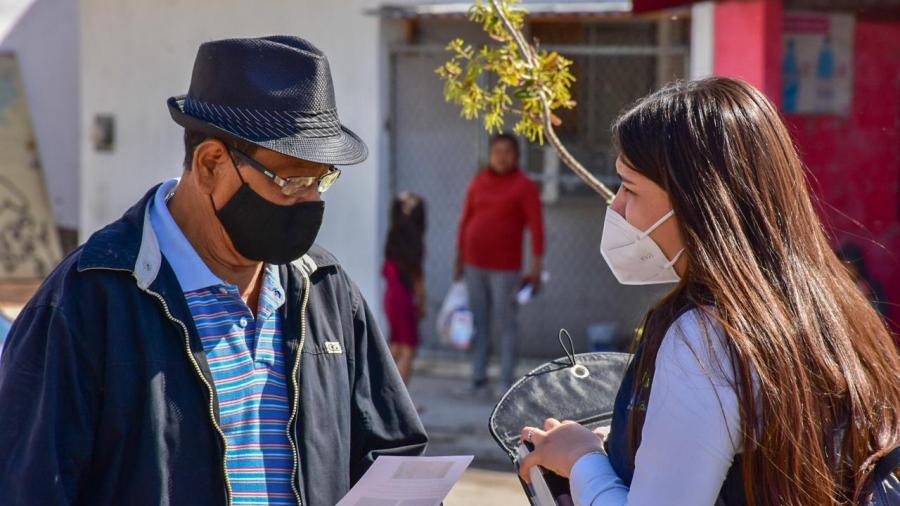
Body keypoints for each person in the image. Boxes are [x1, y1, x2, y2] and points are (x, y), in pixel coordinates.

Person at [0, 36, 427, 506]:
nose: (312, 201)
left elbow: (391, 462)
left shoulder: (325, 290)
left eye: (321, 179)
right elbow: (30, 486)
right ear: (210, 164)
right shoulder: (89, 299)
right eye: (291, 181)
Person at [517, 78, 900, 505]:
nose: (617, 207)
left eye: (629, 187)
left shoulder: (706, 339)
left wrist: (582, 459)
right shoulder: (838, 308)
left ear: (696, 201)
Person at [455, 132, 545, 395]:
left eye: (507, 152)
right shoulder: (478, 182)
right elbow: (465, 221)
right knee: (479, 323)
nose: (501, 157)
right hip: (474, 265)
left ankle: (506, 381)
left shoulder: (524, 186)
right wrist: (458, 259)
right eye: (497, 152)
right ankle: (478, 378)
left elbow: (537, 229)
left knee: (506, 324)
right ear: (490, 155)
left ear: (516, 156)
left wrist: (536, 266)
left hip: (506, 269)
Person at [382, 191, 427, 385]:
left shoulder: (392, 239)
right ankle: (400, 400)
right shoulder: (415, 242)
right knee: (408, 348)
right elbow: (418, 280)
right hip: (405, 300)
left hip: (391, 298)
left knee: (397, 346)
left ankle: (380, 385)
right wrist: (422, 303)